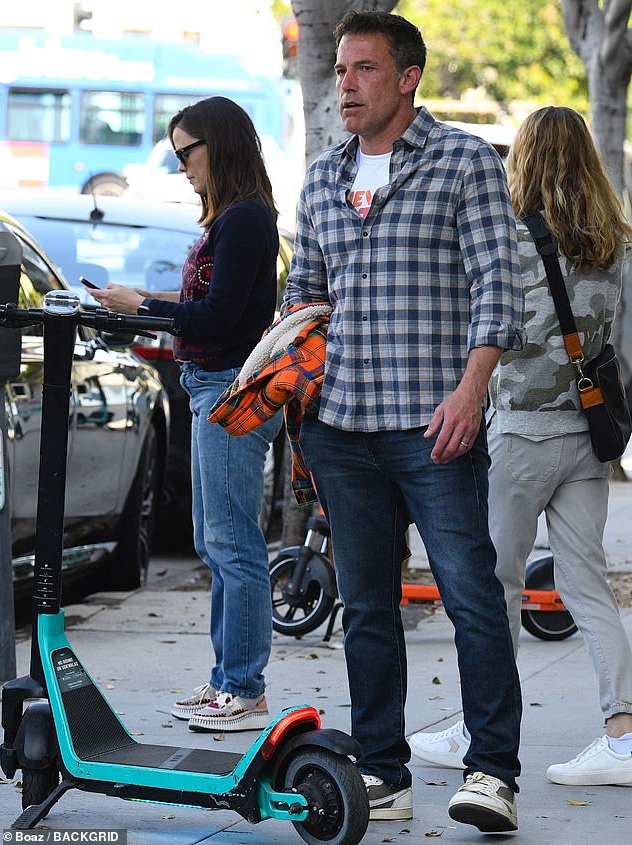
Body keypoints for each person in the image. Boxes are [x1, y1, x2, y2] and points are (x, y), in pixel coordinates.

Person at [283, 9, 525, 832]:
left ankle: (493, 771)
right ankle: (383, 773)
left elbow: (501, 284)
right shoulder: (322, 177)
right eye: (342, 70)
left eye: (364, 70)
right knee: (368, 608)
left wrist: (471, 389)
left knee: (470, 596)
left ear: (408, 77)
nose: (345, 85)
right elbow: (301, 301)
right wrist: (293, 402)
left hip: (436, 428)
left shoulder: (463, 161)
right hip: (341, 430)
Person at [410, 107, 632, 786]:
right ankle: (623, 734)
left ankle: (483, 729)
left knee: (493, 586)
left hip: (518, 438)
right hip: (590, 441)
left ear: (525, 157)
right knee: (586, 584)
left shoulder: (505, 238)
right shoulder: (618, 244)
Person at [90, 96, 282, 732]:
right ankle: (228, 678)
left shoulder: (246, 219)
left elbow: (220, 317)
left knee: (232, 542)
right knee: (215, 539)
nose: (181, 168)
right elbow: (209, 303)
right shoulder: (235, 218)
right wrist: (141, 301)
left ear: (217, 147)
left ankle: (245, 688)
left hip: (229, 388)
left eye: (185, 153)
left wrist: (142, 306)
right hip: (213, 385)